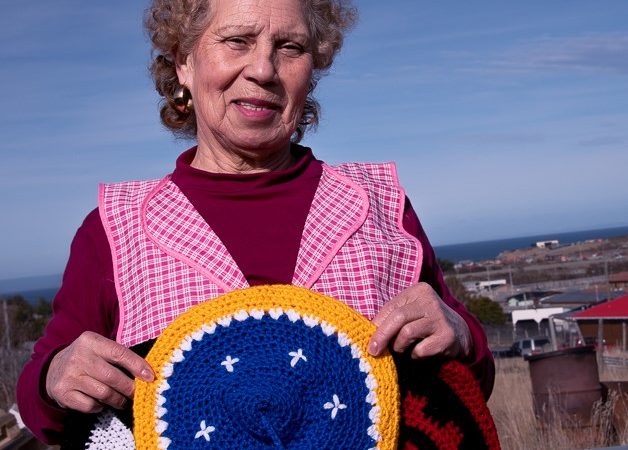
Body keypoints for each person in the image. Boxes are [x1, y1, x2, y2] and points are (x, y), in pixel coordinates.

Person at [17, 0, 494, 446]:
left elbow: (474, 374)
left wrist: (458, 330)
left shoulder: (379, 201)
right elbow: (45, 399)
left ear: (314, 67)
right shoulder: (116, 227)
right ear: (184, 61)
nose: (264, 70)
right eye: (237, 41)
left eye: (290, 47)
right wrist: (55, 376)